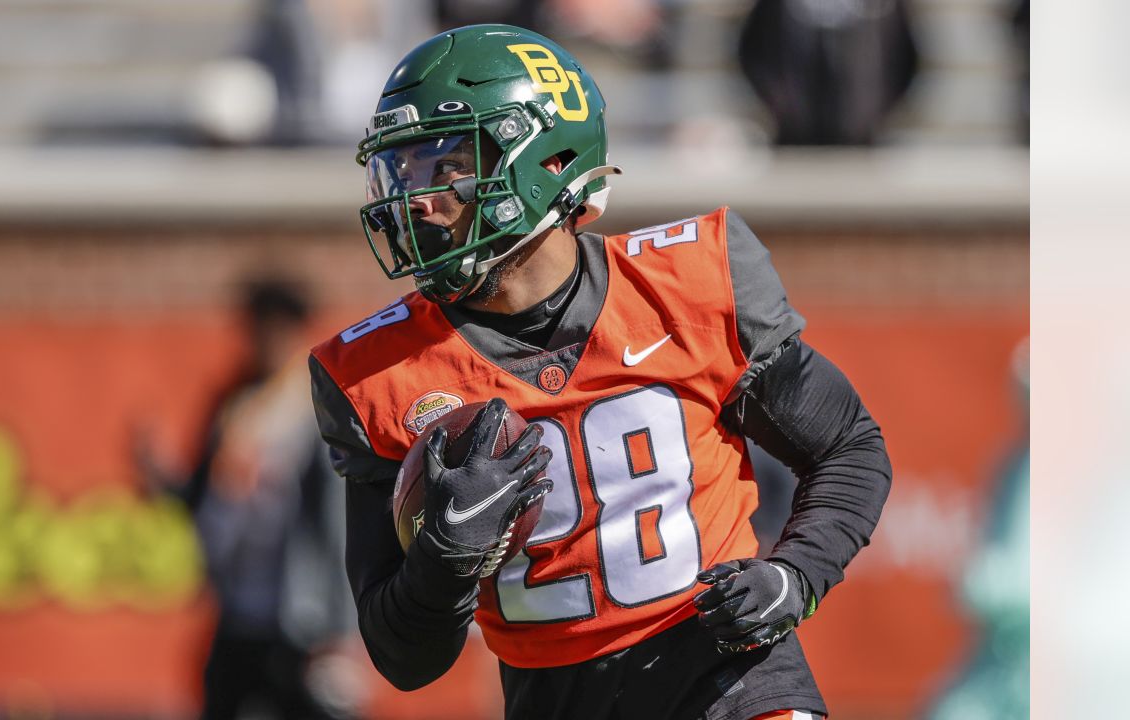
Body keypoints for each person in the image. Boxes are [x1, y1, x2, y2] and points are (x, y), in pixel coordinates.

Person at [309, 25, 891, 720]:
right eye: (400, 171)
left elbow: (849, 447)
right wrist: (444, 557)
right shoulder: (379, 376)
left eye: (442, 164)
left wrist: (795, 576)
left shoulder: (687, 285)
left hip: (729, 681)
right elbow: (403, 660)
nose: (416, 200)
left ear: (542, 159)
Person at [139, 280, 355, 720]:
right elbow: (203, 496)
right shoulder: (233, 408)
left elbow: (336, 520)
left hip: (298, 613)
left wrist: (340, 624)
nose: (267, 342)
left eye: (278, 329)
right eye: (260, 329)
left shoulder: (316, 407)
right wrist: (161, 480)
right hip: (239, 609)